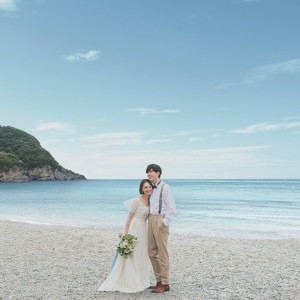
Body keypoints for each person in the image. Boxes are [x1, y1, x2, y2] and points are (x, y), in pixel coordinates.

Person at [98, 179, 152, 293]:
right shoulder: (137, 201)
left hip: (143, 229)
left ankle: (141, 278)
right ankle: (130, 280)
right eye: (145, 187)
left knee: (141, 254)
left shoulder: (151, 201)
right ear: (141, 189)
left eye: (149, 187)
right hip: (134, 227)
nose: (148, 189)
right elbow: (129, 218)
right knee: (133, 253)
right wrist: (125, 233)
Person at [146, 164, 176, 293]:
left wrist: (164, 222)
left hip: (160, 220)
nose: (149, 174)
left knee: (162, 253)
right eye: (147, 172)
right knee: (151, 252)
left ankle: (165, 283)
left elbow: (172, 208)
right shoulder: (151, 188)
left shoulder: (165, 187)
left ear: (158, 173)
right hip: (151, 219)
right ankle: (158, 281)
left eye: (151, 171)